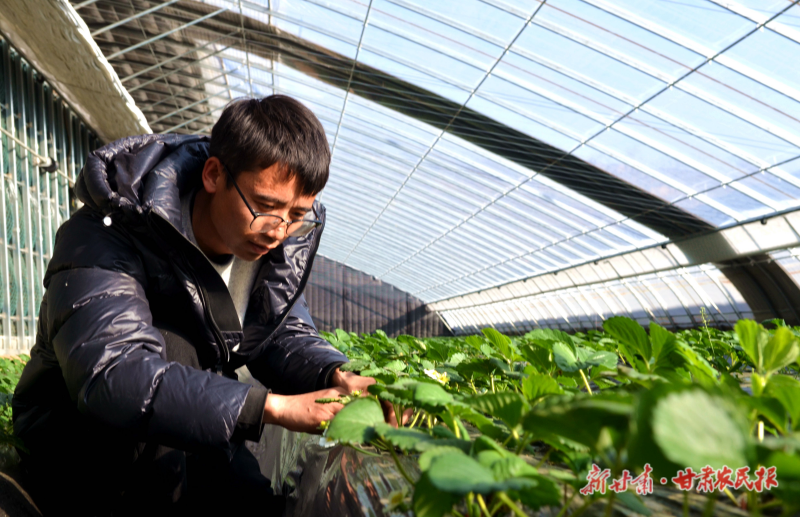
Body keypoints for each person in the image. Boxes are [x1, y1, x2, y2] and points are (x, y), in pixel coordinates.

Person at [11, 95, 381, 516]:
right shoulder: (110, 231)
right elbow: (113, 372)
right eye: (265, 207)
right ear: (213, 175)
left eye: (297, 215)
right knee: (176, 346)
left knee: (257, 505)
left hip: (189, 426)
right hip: (77, 440)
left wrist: (336, 372)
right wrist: (270, 407)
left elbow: (283, 332)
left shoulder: (269, 249)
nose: (279, 231)